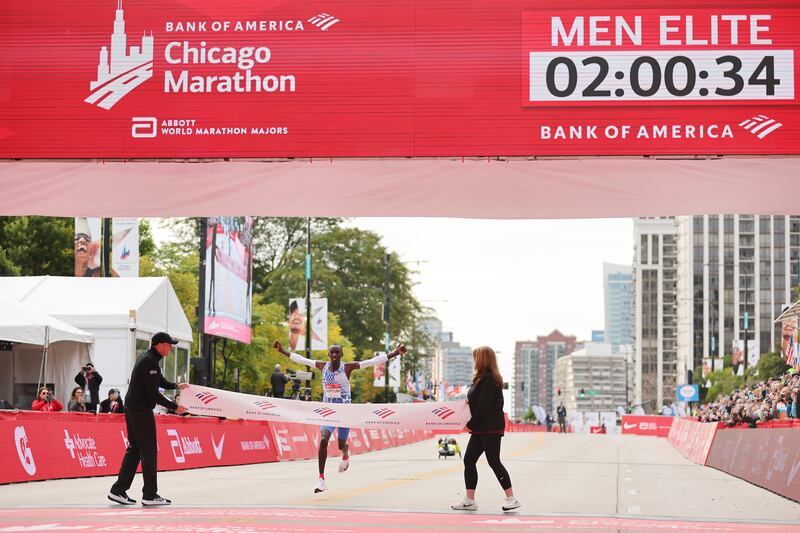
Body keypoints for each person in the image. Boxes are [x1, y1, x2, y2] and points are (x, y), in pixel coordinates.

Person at [273, 340, 406, 493]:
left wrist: (396, 353)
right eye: (332, 352)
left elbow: (372, 361)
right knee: (323, 440)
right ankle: (321, 479)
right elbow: (301, 359)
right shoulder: (323, 366)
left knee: (341, 444)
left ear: (341, 355)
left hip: (344, 413)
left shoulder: (347, 368)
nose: (335, 355)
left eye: (337, 352)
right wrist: (281, 350)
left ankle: (345, 451)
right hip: (328, 412)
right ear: (329, 354)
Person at [108, 332, 188, 507]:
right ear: (159, 345)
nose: (171, 347)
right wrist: (175, 407)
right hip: (140, 409)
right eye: (169, 344)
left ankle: (118, 490)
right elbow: (154, 394)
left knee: (136, 448)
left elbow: (160, 382)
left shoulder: (150, 359)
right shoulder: (149, 362)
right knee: (149, 449)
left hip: (134, 407)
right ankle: (150, 495)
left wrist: (176, 385)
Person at [451, 346, 520, 512]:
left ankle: (512, 498)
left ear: (482, 359)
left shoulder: (489, 379)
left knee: (493, 461)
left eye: (476, 357)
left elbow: (484, 405)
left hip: (489, 427)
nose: (474, 361)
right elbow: (479, 402)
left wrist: (471, 423)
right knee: (469, 459)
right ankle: (470, 500)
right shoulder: (482, 379)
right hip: (482, 427)